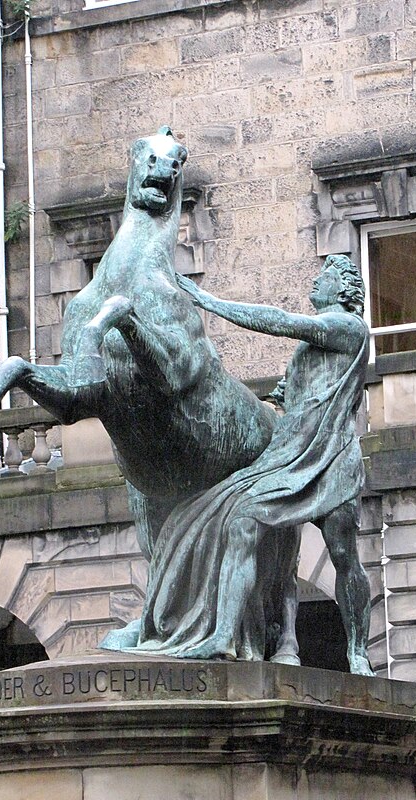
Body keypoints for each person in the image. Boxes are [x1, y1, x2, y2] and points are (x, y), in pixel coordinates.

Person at [132, 255, 374, 676]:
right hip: (289, 457)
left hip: (332, 457)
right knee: (241, 519)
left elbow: (279, 320)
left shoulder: (348, 327)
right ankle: (223, 637)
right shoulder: (309, 353)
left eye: (325, 276)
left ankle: (358, 653)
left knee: (343, 555)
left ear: (344, 289)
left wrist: (208, 301)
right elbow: (287, 398)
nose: (315, 282)